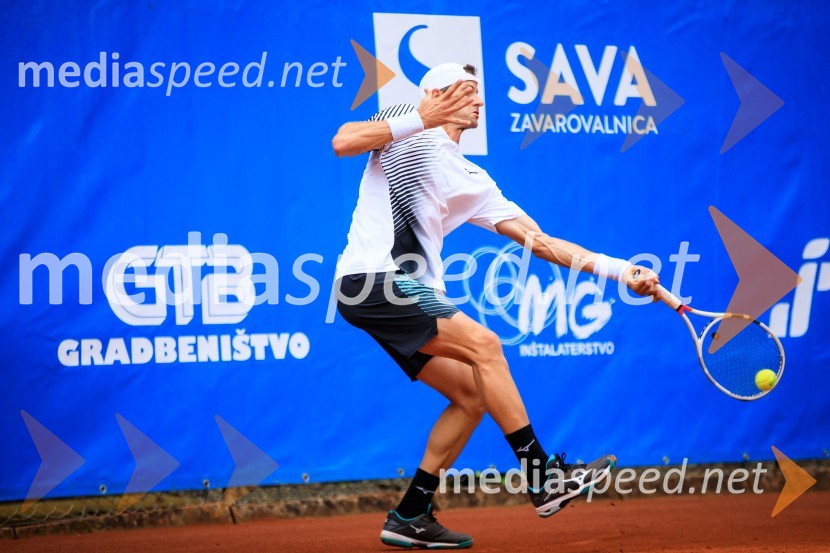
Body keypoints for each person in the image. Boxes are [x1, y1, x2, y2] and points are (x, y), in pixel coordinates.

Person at [332, 63, 660, 549]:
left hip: (398, 291)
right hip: (374, 279)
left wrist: (620, 270)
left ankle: (410, 514)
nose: (479, 101)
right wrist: (421, 117)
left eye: (479, 93)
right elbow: (343, 142)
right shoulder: (403, 121)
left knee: (472, 395)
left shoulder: (473, 178)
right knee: (486, 345)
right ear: (436, 93)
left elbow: (541, 242)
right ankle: (543, 477)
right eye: (467, 92)